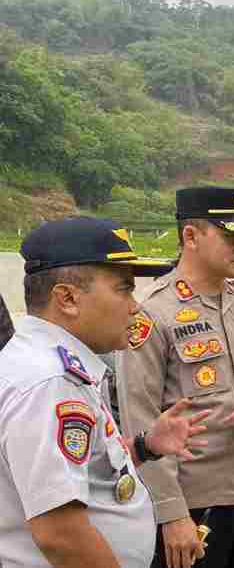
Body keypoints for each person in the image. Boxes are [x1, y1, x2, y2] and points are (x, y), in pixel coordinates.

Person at [1, 217, 210, 567]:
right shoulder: (49, 383)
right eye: (123, 289)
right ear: (67, 298)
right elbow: (59, 532)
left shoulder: (53, 365)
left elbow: (82, 471)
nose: (135, 305)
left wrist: (145, 447)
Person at [117, 187, 234, 568]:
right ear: (191, 236)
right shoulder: (153, 313)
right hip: (195, 505)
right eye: (231, 237)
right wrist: (172, 514)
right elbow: (140, 419)